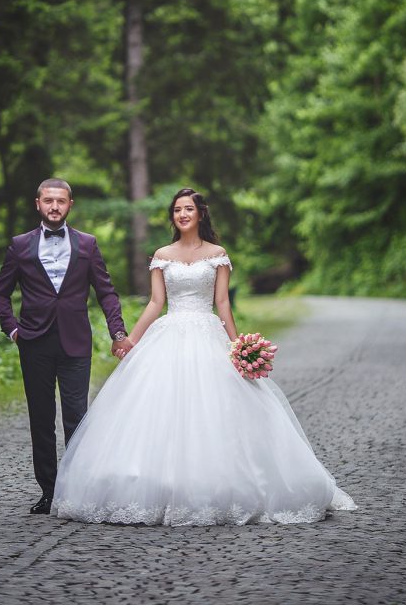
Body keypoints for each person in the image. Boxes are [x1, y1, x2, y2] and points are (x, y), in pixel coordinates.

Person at [52, 187, 357, 526]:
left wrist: (238, 346)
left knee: (219, 409)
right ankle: (157, 485)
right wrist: (130, 340)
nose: (182, 214)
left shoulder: (217, 253)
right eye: (177, 210)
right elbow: (156, 303)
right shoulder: (162, 254)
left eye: (188, 209)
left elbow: (222, 303)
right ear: (172, 216)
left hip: (207, 333)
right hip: (168, 335)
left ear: (200, 214)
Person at [0, 178, 133, 515]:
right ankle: (49, 492)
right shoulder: (20, 245)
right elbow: (0, 293)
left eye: (61, 201)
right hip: (34, 343)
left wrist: (117, 332)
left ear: (70, 205)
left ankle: (78, 490)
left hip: (75, 341)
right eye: (48, 200)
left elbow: (107, 292)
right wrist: (12, 331)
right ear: (37, 203)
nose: (55, 206)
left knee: (76, 416)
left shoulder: (87, 245)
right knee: (41, 419)